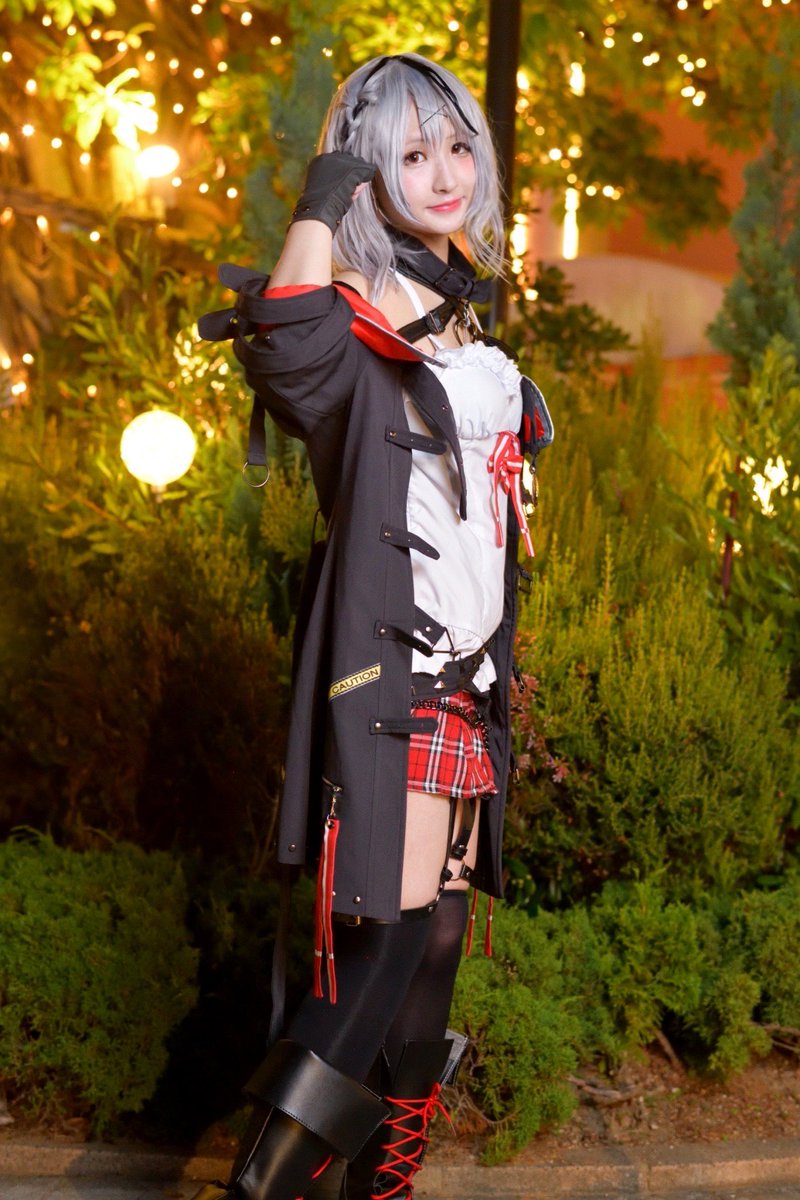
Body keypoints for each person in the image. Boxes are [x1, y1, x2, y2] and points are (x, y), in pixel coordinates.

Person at [194, 51, 552, 1200]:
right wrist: (325, 187)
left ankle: (380, 1188)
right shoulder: (352, 312)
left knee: (435, 941)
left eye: (455, 148)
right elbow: (285, 338)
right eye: (409, 153)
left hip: (466, 685)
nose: (444, 174)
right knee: (385, 939)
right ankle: (261, 1189)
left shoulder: (459, 317)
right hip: (390, 684)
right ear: (366, 170)